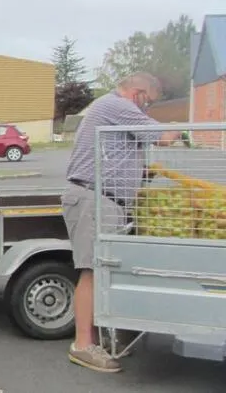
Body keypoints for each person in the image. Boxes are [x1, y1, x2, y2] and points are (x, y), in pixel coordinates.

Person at [62, 72, 182, 373]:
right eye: (149, 103)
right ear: (139, 93)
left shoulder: (114, 110)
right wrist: (181, 130)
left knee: (103, 271)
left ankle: (103, 337)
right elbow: (165, 137)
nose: (147, 110)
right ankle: (82, 345)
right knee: (90, 270)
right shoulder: (118, 105)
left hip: (107, 200)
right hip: (95, 198)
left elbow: (121, 152)